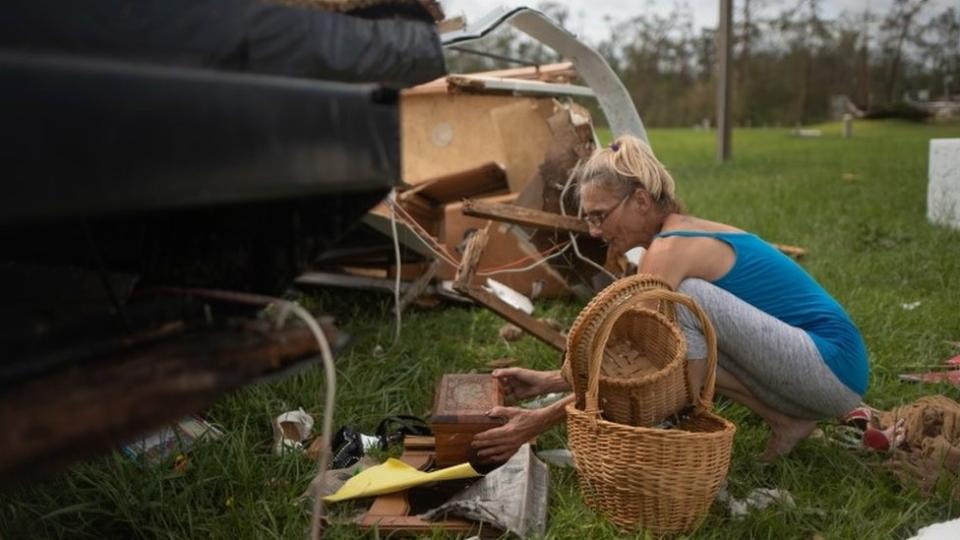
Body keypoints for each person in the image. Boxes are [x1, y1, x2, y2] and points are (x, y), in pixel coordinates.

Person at [472, 135, 870, 462]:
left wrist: (537, 421)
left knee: (683, 308)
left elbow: (639, 362)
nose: (594, 231)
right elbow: (637, 357)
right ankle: (785, 421)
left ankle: (683, 425)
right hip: (827, 375)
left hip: (829, 365)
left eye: (599, 215)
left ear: (641, 201)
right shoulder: (669, 242)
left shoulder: (669, 251)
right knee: (683, 333)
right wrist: (547, 381)